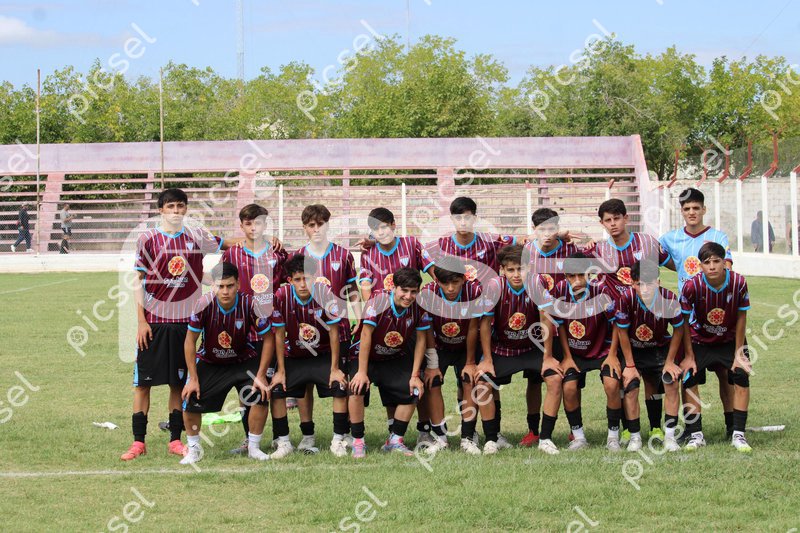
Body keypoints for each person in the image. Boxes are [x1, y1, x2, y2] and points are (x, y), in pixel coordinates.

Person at [120, 188, 227, 461]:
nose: (176, 211)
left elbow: (227, 245)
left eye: (180, 206)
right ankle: (138, 442)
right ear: (161, 210)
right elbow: (137, 282)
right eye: (170, 206)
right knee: (142, 385)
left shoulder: (196, 236)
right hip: (154, 324)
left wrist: (259, 240)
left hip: (185, 324)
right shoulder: (148, 239)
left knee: (178, 384)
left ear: (186, 209)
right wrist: (141, 321)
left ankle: (175, 440)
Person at [180, 262, 274, 464]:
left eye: (230, 286)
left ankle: (253, 447)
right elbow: (189, 341)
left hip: (243, 360)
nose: (225, 291)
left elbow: (268, 339)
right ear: (213, 285)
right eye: (220, 286)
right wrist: (193, 378)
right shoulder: (203, 304)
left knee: (261, 392)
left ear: (238, 284)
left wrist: (260, 375)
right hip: (211, 361)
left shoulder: (251, 304)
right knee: (190, 397)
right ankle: (194, 450)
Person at [659, 187, 735, 439]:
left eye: (696, 208)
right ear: (681, 211)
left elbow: (726, 267)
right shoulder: (670, 239)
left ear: (704, 209)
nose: (691, 212)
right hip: (688, 320)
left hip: (717, 316)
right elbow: (655, 258)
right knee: (689, 374)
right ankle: (693, 431)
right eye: (687, 208)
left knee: (726, 374)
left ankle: (732, 426)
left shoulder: (717, 236)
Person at [475, 244, 563, 455]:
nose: (516, 274)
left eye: (521, 269)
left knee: (554, 379)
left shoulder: (536, 283)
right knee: (483, 382)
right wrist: (487, 359)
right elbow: (485, 324)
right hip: (503, 348)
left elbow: (545, 319)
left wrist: (548, 356)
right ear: (502, 270)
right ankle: (492, 439)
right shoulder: (494, 286)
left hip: (532, 347)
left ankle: (545, 438)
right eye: (511, 270)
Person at [220, 203, 287, 454]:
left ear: (265, 225)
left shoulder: (278, 253)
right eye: (248, 223)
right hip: (242, 332)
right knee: (246, 387)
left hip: (272, 329)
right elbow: (223, 285)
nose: (253, 227)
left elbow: (289, 284)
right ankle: (249, 438)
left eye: (258, 223)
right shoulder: (232, 254)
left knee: (274, 386)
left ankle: (281, 438)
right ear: (242, 226)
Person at [292, 204, 358, 453]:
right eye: (311, 225)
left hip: (338, 330)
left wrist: (358, 316)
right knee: (304, 384)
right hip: (305, 333)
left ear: (328, 225)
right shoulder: (297, 256)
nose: (316, 229)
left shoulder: (343, 255)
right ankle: (307, 435)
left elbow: (352, 291)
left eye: (320, 224)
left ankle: (342, 433)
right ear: (305, 228)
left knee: (340, 381)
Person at [269, 255, 350, 458]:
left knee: (339, 386)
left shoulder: (325, 293)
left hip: (322, 354)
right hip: (295, 355)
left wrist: (334, 368)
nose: (303, 284)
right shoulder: (281, 296)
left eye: (307, 278)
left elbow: (334, 332)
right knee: (277, 389)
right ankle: (285, 442)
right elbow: (279, 335)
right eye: (297, 279)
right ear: (290, 280)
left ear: (314, 277)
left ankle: (338, 440)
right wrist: (280, 370)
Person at [348, 268, 431, 458]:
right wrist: (361, 372)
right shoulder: (378, 300)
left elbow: (421, 340)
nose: (408, 296)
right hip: (366, 356)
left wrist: (415, 375)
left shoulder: (419, 306)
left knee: (414, 389)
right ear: (394, 287)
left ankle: (395, 441)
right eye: (404, 290)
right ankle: (358, 441)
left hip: (394, 357)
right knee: (356, 388)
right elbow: (366, 335)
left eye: (413, 291)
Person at [680, 242, 753, 453]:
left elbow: (741, 316)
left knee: (741, 375)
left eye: (716, 261)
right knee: (689, 377)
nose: (712, 266)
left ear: (724, 262)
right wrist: (688, 355)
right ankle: (696, 434)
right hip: (700, 339)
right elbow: (683, 322)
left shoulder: (738, 282)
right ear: (700, 265)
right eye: (707, 262)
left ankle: (737, 433)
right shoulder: (692, 286)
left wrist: (739, 353)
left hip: (729, 340)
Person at [549, 251, 626, 451]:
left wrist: (612, 355)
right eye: (571, 276)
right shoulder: (559, 290)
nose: (577, 280)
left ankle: (613, 437)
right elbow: (560, 325)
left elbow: (617, 323)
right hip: (574, 353)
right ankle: (579, 437)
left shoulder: (601, 291)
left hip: (602, 350)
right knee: (569, 388)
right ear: (565, 276)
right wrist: (566, 357)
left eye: (581, 275)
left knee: (612, 385)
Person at [519, 207, 580, 447]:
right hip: (536, 326)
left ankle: (575, 429)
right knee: (535, 380)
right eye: (542, 229)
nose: (547, 234)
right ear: (534, 229)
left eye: (552, 229)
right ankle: (533, 430)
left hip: (566, 325)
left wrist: (566, 235)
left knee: (571, 378)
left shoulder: (570, 250)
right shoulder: (525, 252)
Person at [610, 260, 685, 451]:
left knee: (671, 382)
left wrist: (670, 361)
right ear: (632, 283)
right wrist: (630, 365)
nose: (645, 289)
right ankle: (635, 437)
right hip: (633, 350)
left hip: (659, 349)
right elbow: (622, 332)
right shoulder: (626, 298)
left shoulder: (668, 298)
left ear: (658, 281)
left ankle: (669, 437)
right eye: (639, 284)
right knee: (631, 386)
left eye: (649, 283)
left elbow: (678, 329)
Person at [417, 262, 484, 455]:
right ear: (437, 281)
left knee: (470, 380)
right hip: (438, 346)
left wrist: (470, 362)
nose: (451, 288)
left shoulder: (474, 291)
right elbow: (427, 328)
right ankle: (441, 438)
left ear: (464, 279)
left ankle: (468, 437)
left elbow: (473, 328)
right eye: (445, 283)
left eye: (455, 282)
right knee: (432, 381)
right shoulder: (428, 293)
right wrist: (432, 364)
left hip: (466, 346)